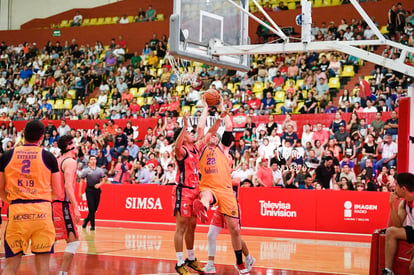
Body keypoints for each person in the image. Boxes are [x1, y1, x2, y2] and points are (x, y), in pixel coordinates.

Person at [193, 105, 251, 274]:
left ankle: (240, 262)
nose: (212, 138)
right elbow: (200, 127)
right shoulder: (202, 147)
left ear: (218, 139)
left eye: (215, 137)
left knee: (234, 229)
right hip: (209, 187)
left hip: (225, 191)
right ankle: (202, 207)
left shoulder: (224, 149)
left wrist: (221, 107)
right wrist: (205, 107)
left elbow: (229, 126)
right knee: (204, 195)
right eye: (210, 136)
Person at [0, 119, 62, 275]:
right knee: (43, 269)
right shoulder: (48, 157)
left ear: (23, 134)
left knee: (10, 267)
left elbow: (0, 189)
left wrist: (13, 200)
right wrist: (42, 199)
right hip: (42, 213)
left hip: (17, 212)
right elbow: (58, 192)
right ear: (42, 137)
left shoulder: (7, 156)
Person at [172, 96, 223, 275]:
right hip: (182, 191)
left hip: (195, 191)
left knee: (193, 225)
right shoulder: (181, 150)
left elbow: (209, 132)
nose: (192, 133)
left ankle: (191, 259)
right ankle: (179, 263)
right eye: (189, 132)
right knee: (182, 226)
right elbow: (177, 144)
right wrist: (184, 125)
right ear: (183, 136)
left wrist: (220, 117)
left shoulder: (195, 147)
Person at [203, 153, 255, 274]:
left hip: (232, 208)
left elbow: (236, 182)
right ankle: (210, 264)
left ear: (232, 161)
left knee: (237, 237)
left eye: (229, 156)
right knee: (211, 235)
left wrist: (219, 180)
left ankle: (248, 258)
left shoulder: (234, 173)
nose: (227, 157)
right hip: (220, 208)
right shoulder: (217, 172)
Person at [53, 135, 82, 275]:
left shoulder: (57, 160)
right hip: (62, 205)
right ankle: (62, 273)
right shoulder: (70, 161)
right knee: (73, 241)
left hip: (53, 204)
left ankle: (43, 269)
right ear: (69, 147)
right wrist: (76, 207)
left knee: (51, 239)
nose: (77, 146)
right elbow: (68, 186)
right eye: (75, 144)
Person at [382, 172, 414, 275]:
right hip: (412, 230)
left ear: (403, 188)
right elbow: (397, 225)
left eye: (396, 185)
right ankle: (388, 271)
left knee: (413, 267)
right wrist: (392, 205)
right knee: (391, 231)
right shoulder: (404, 203)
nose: (393, 187)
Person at [81, 155, 106, 230]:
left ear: (96, 160)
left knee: (94, 209)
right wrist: (80, 192)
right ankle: (92, 226)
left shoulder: (100, 170)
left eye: (94, 159)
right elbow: (82, 181)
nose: (93, 160)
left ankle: (86, 220)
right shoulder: (86, 170)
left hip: (97, 190)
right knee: (91, 208)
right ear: (89, 161)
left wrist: (99, 184)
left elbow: (104, 180)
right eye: (91, 159)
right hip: (89, 190)